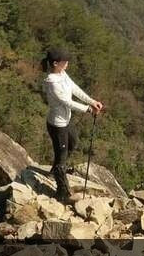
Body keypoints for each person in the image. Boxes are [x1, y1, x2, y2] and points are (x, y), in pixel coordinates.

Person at [41, 47, 104, 202]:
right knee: (62, 156)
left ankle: (56, 169)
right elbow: (66, 102)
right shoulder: (51, 82)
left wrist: (92, 101)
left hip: (66, 121)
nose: (67, 62)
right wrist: (88, 109)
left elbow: (75, 88)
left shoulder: (62, 74)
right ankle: (62, 192)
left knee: (73, 142)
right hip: (57, 125)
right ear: (55, 63)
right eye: (64, 61)